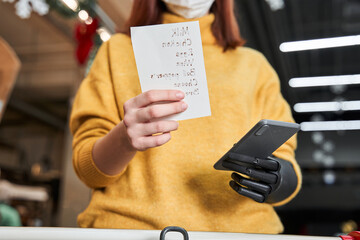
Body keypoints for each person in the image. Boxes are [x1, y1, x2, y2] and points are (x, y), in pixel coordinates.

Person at [70, 0, 302, 233]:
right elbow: (87, 169)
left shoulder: (255, 66)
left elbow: (285, 158)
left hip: (244, 233)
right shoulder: (117, 51)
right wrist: (123, 139)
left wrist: (276, 178)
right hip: (134, 230)